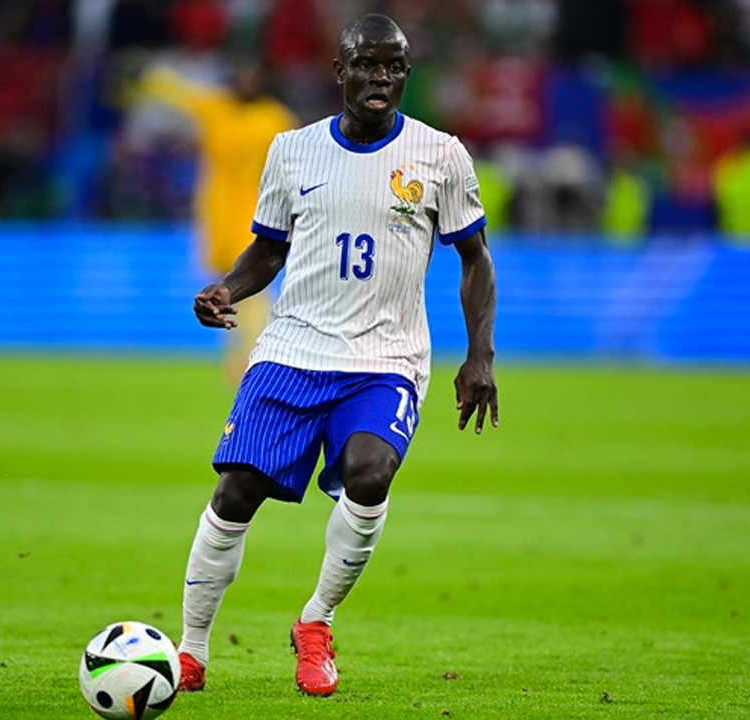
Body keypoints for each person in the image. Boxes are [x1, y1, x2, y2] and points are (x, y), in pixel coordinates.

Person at [176, 13, 498, 697]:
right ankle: (191, 650)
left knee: (370, 473)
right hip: (293, 348)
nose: (380, 78)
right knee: (236, 492)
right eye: (366, 65)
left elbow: (475, 259)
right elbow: (268, 250)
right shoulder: (292, 151)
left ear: (405, 75)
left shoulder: (441, 155)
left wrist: (481, 356)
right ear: (339, 72)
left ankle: (316, 621)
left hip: (387, 357)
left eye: (393, 67)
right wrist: (226, 289)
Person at [139, 60, 298, 382]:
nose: (246, 83)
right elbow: (179, 93)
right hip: (216, 214)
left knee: (252, 285)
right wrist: (150, 75)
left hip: (257, 213)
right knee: (224, 287)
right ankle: (237, 357)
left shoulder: (275, 119)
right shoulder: (218, 109)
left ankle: (260, 354)